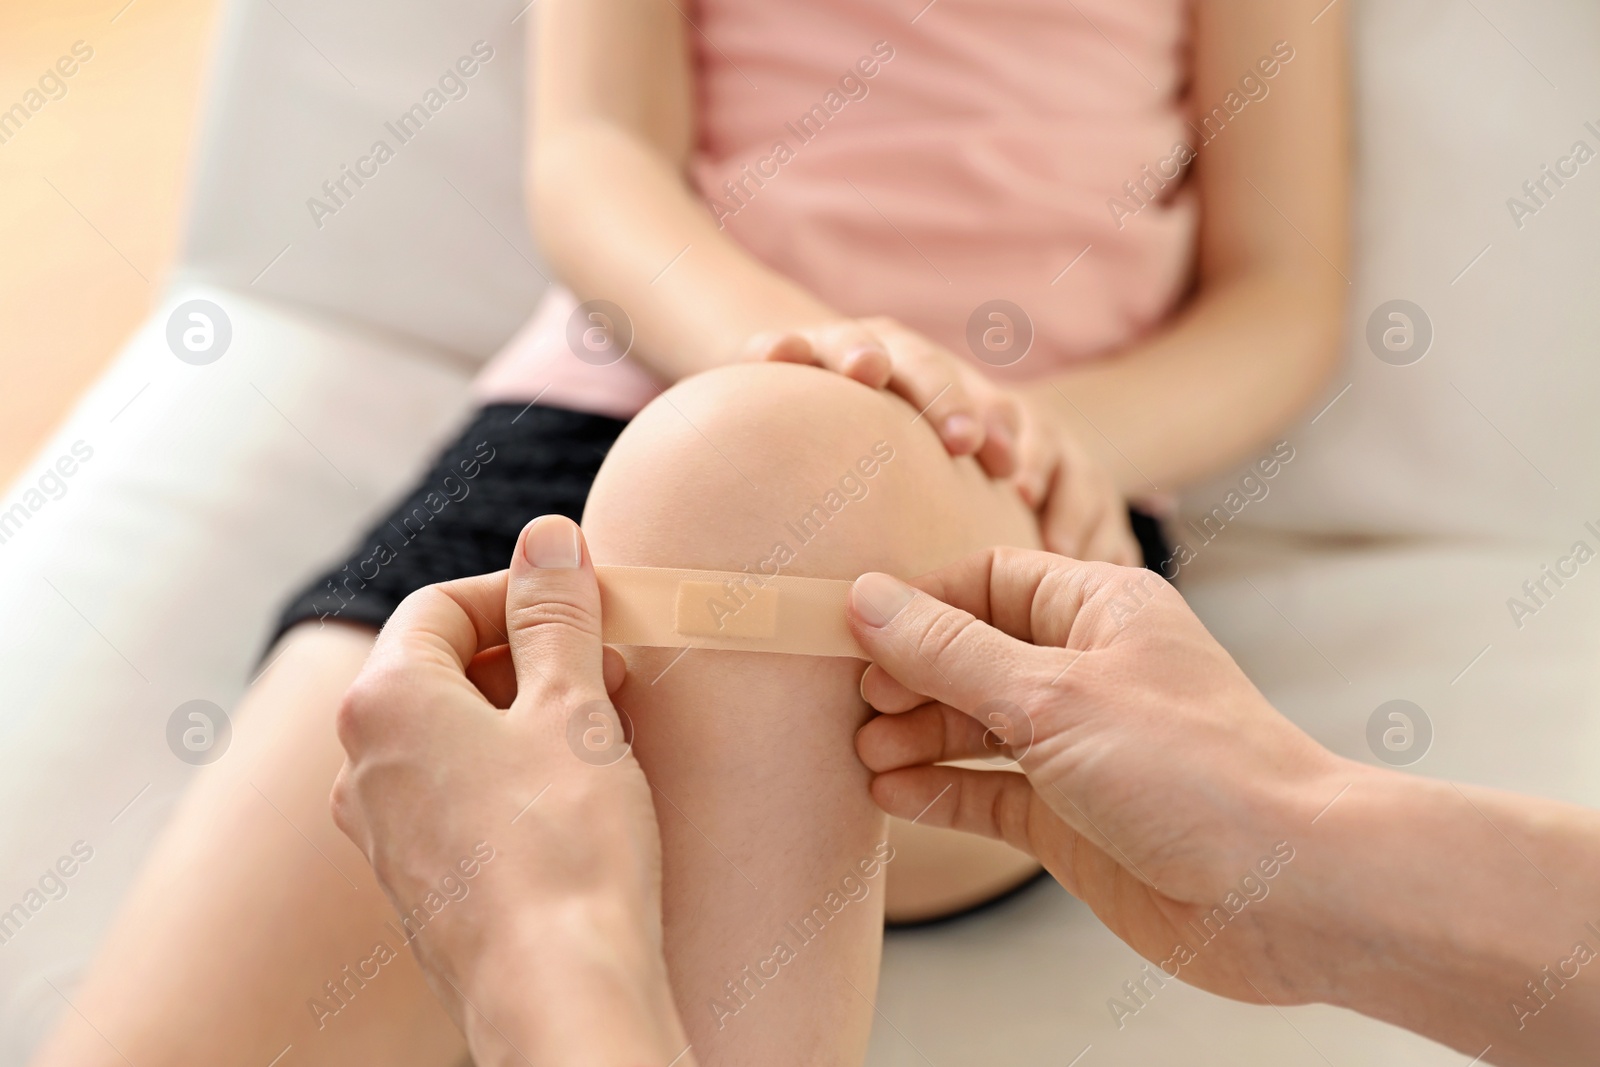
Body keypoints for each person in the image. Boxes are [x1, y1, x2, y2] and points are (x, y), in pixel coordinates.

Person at [28, 1, 1347, 1064]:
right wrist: (792, 363)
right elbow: (592, 153)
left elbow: (1281, 295)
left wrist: (1018, 435)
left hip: (1012, 489)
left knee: (759, 454)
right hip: (588, 426)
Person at [336, 517, 1600, 1067]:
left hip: (916, 447)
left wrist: (539, 964)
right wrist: (1289, 850)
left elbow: (1276, 299)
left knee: (738, 461)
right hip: (558, 421)